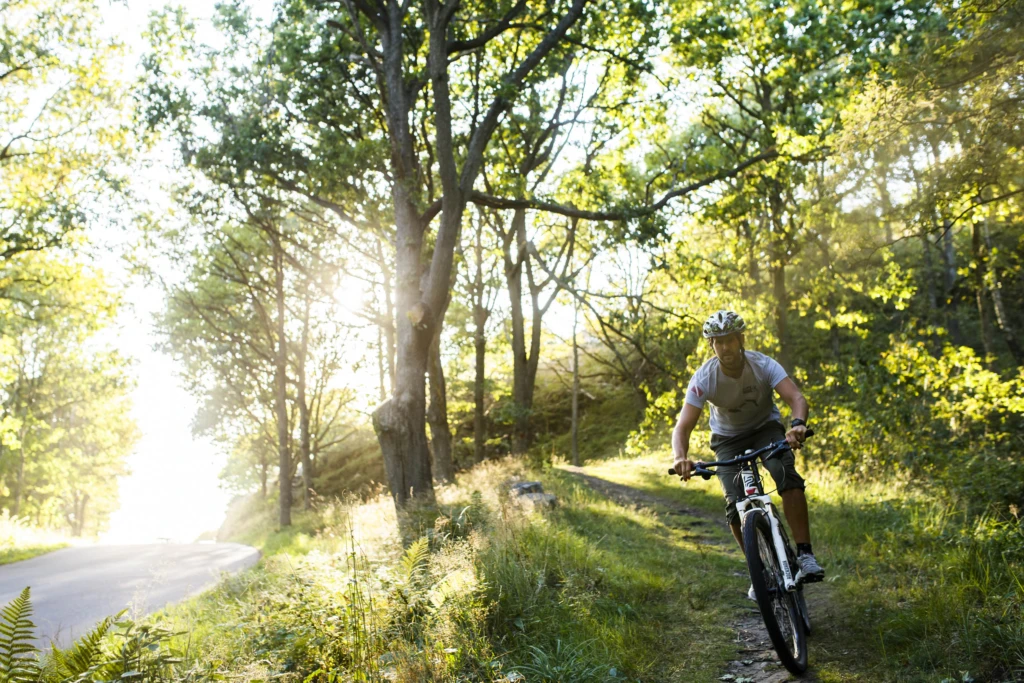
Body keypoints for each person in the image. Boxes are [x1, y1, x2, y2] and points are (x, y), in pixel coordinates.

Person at [671, 310, 825, 590]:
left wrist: (798, 425)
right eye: (718, 342)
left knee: (783, 472)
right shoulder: (704, 378)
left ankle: (805, 555)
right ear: (711, 345)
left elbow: (796, 398)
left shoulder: (762, 365)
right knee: (734, 503)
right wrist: (680, 457)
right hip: (727, 439)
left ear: (740, 340)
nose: (725, 347)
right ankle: (760, 571)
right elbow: (682, 427)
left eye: (730, 340)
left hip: (766, 428)